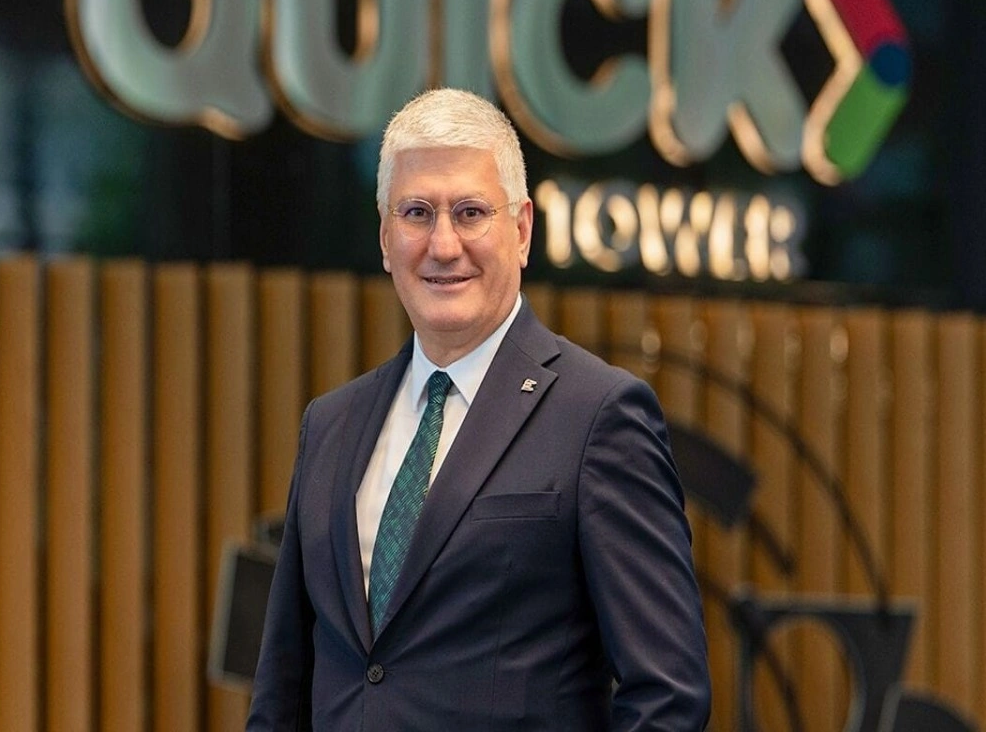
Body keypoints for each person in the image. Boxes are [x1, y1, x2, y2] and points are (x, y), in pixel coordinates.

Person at [246, 88, 710, 730]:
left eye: (470, 213)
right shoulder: (329, 425)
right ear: (385, 237)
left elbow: (668, 697)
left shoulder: (598, 416)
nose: (443, 245)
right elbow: (282, 692)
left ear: (521, 231)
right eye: (416, 213)